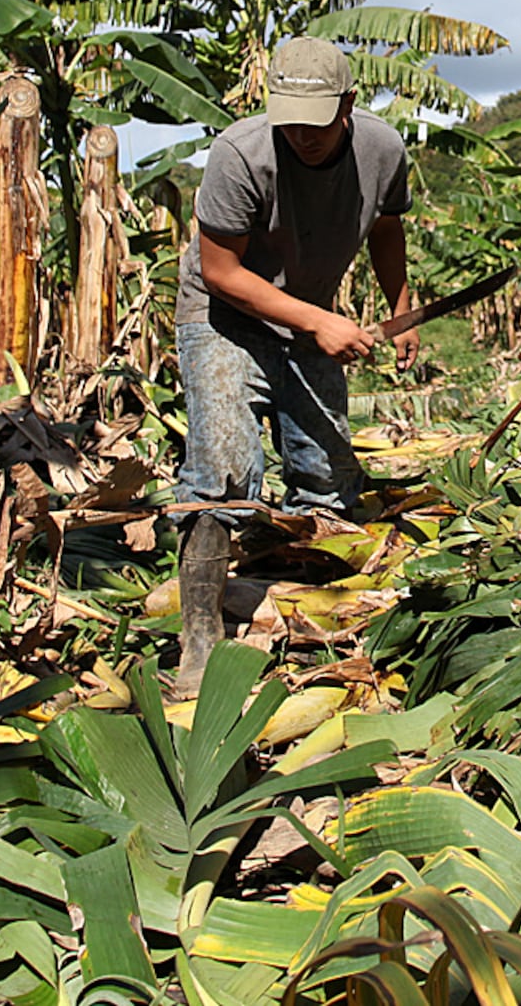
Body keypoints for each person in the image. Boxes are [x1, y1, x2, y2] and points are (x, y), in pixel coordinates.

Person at [171, 36, 417, 689]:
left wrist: (400, 301)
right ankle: (200, 640)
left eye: (317, 122)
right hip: (225, 312)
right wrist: (316, 320)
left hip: (310, 308)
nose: (302, 138)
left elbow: (388, 224)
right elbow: (221, 271)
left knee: (330, 481)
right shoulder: (240, 154)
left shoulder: (383, 149)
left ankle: (317, 612)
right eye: (290, 122)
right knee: (224, 464)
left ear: (348, 105)